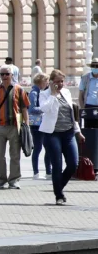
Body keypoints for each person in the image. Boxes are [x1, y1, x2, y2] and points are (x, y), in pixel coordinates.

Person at [39, 70, 84, 205]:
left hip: (68, 132)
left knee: (73, 164)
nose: (60, 84)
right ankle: (59, 195)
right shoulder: (44, 94)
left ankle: (58, 187)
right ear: (51, 82)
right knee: (57, 165)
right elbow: (45, 109)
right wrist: (53, 94)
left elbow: (72, 114)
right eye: (57, 81)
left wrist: (78, 132)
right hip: (52, 133)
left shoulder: (67, 93)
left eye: (62, 81)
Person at [0, 65, 29, 190]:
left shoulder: (19, 90)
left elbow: (24, 109)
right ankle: (1, 180)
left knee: (15, 155)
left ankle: (14, 180)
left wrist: (26, 125)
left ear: (12, 75)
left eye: (7, 74)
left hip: (14, 126)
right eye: (2, 74)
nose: (5, 77)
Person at [28, 72, 52, 179]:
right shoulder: (34, 92)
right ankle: (36, 172)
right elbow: (32, 109)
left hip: (42, 122)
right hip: (36, 124)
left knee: (47, 147)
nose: (47, 83)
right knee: (38, 147)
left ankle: (48, 172)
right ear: (41, 81)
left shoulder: (41, 92)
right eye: (46, 81)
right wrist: (44, 109)